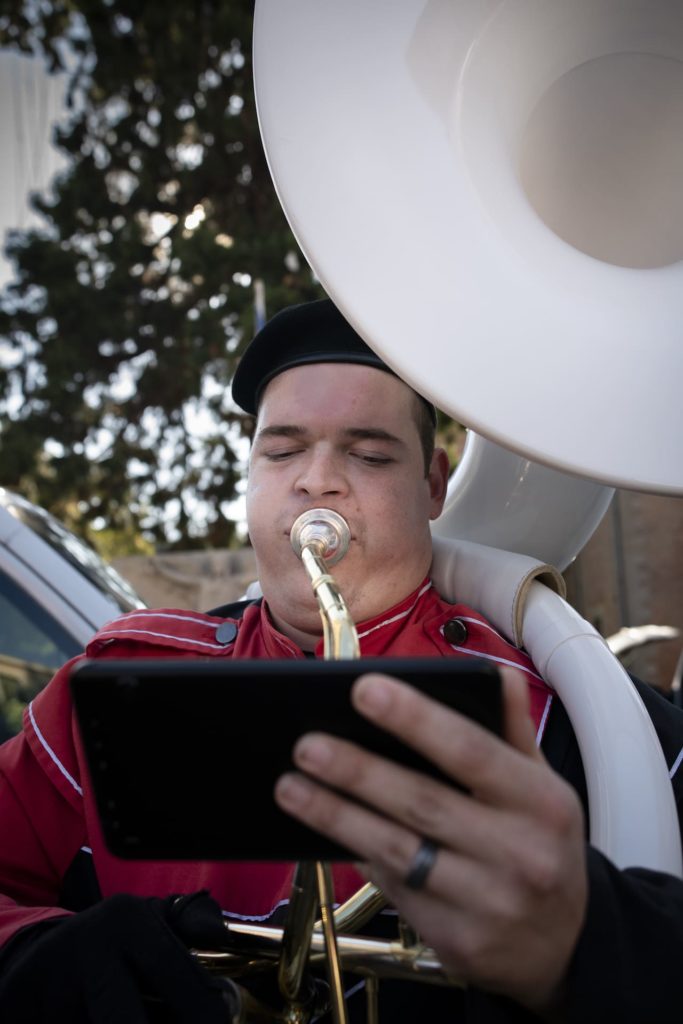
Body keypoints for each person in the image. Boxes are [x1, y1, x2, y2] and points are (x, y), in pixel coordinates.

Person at [0, 297, 682, 1023]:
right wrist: (37, 953)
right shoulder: (115, 677)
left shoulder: (576, 716)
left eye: (369, 453)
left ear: (432, 486)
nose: (316, 480)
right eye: (282, 450)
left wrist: (589, 937)